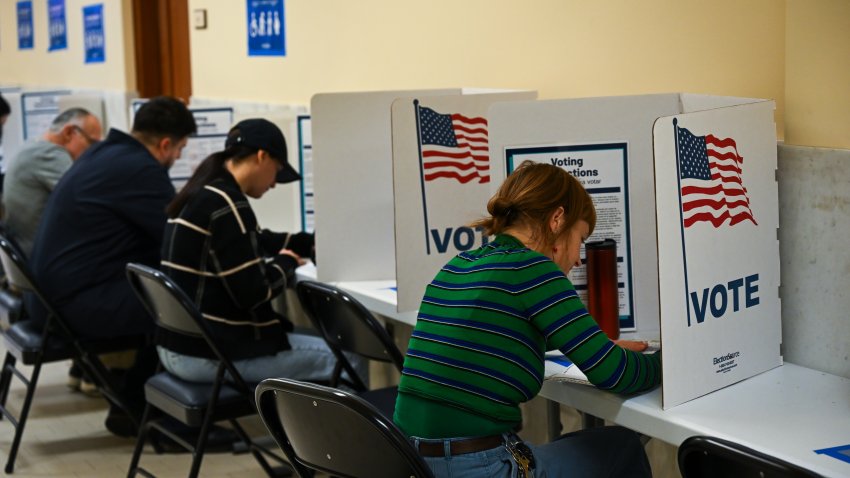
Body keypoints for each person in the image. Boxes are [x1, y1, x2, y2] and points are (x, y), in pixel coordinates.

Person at [393, 161, 662, 478]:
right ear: (557, 219)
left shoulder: (459, 264)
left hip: (408, 462)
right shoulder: (534, 269)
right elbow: (616, 374)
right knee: (622, 446)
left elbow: (497, 335)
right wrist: (670, 363)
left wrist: (597, 345)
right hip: (475, 468)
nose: (578, 257)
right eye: (581, 238)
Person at [28, 96, 197, 435]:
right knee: (182, 304)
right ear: (165, 144)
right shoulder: (140, 169)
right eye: (180, 149)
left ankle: (133, 405)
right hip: (71, 305)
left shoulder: (103, 153)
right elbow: (177, 238)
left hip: (47, 297)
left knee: (163, 290)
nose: (178, 157)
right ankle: (166, 416)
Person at [158, 118, 363, 385]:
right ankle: (339, 428)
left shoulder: (204, 193)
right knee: (351, 358)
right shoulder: (228, 205)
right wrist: (286, 262)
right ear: (262, 156)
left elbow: (252, 239)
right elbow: (254, 293)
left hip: (177, 345)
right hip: (208, 355)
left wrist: (303, 242)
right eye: (277, 170)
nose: (275, 183)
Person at [2, 107, 103, 256]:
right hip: (44, 256)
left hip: (27, 249)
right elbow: (87, 201)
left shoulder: (33, 146)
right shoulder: (50, 154)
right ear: (69, 133)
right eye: (92, 143)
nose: (93, 151)